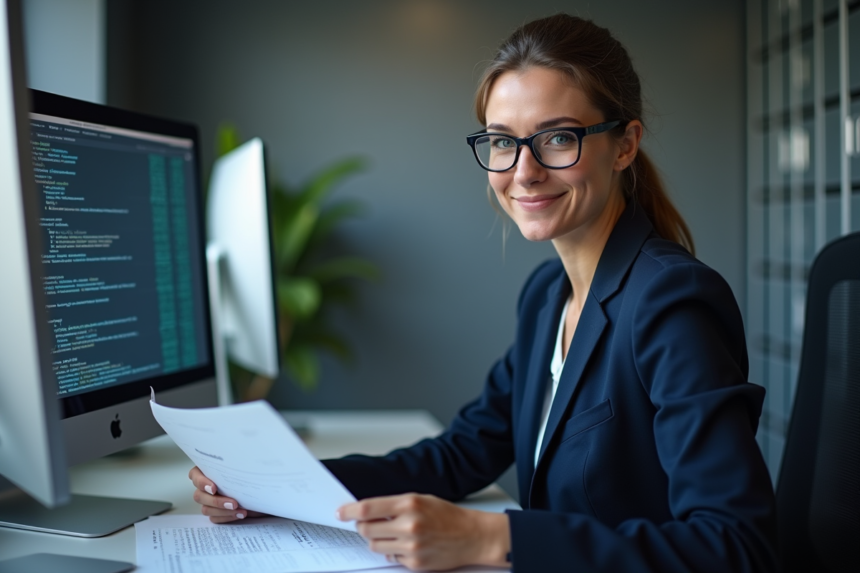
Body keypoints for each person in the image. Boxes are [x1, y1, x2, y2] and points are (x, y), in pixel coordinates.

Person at [189, 14, 778, 572]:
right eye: (502, 142)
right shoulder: (549, 295)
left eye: (557, 139)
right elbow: (461, 453)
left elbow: (734, 545)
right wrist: (281, 488)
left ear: (624, 145)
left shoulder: (672, 302)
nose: (523, 171)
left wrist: (493, 538)